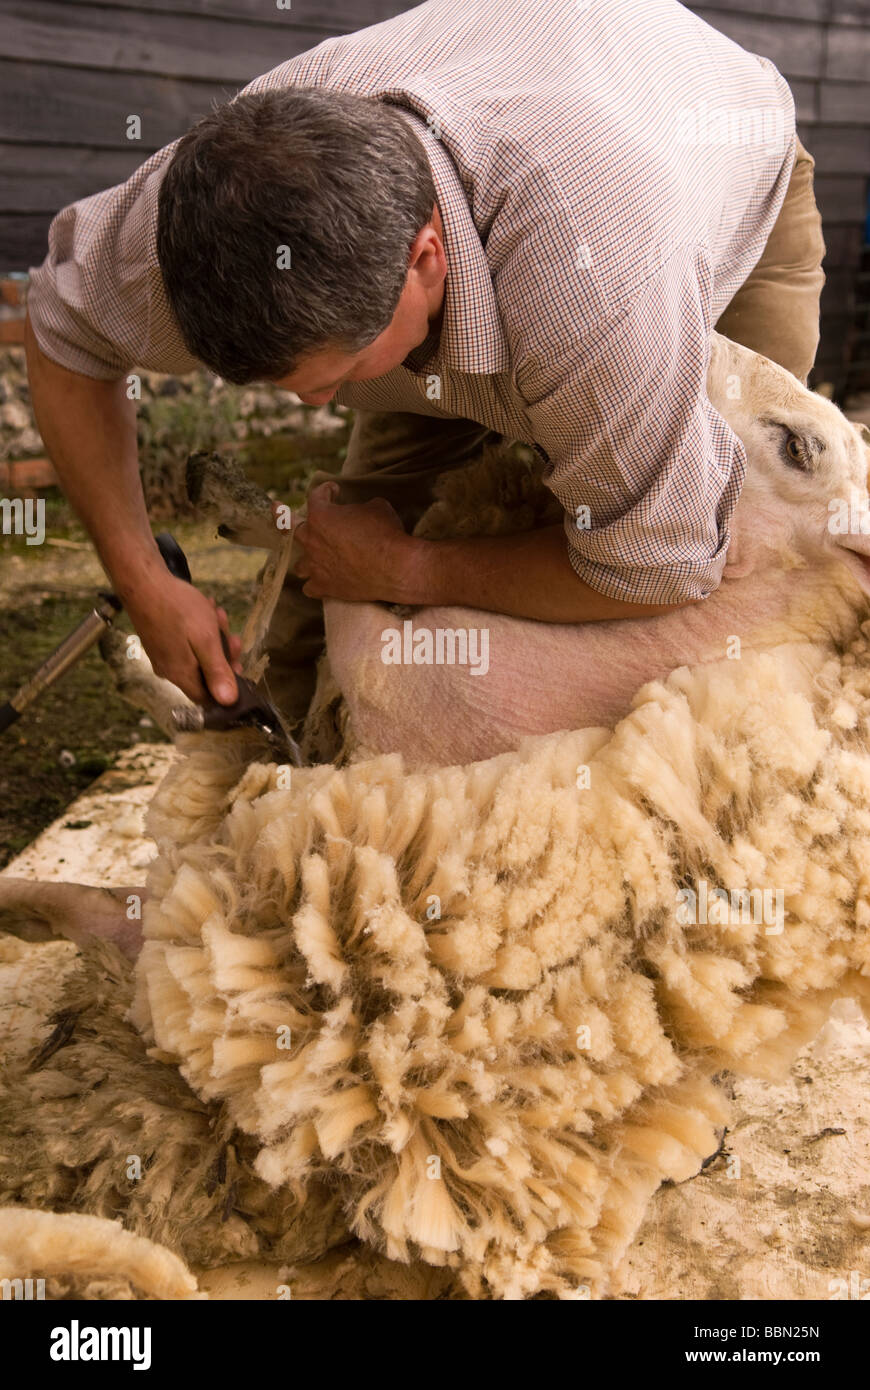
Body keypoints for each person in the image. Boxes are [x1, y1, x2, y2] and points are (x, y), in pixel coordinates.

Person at [25, 0, 826, 727]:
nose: (314, 407)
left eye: (337, 374)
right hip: (509, 155)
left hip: (715, 164)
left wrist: (411, 568)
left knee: (714, 583)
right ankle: (293, 772)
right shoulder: (194, 224)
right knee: (347, 551)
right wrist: (147, 586)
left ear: (425, 259)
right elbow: (63, 334)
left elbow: (658, 566)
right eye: (278, 383)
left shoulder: (603, 287)